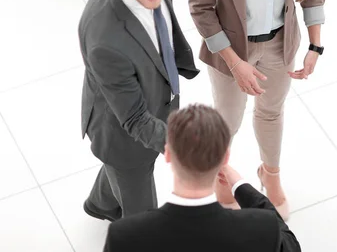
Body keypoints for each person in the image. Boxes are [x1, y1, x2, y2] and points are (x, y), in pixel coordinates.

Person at [189, 0, 326, 219]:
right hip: (231, 50)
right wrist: (236, 64)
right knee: (228, 121)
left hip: (280, 45)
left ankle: (271, 174)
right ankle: (222, 175)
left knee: (271, 112)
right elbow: (200, 7)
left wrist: (315, 45)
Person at [79, 0, 199, 220]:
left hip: (152, 98)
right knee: (143, 224)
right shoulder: (105, 41)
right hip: (124, 136)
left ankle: (102, 203)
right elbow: (134, 119)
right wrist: (185, 149)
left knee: (121, 172)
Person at [102, 103, 301, 252]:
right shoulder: (262, 227)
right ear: (225, 158)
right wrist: (240, 186)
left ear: (168, 154)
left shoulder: (124, 236)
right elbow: (291, 245)